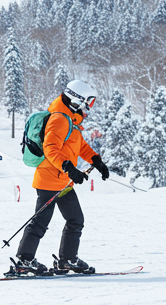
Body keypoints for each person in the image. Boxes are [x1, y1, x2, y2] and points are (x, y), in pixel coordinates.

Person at [9, 80, 109, 276]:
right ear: (77, 98)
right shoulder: (59, 119)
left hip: (62, 181)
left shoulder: (71, 119)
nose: (90, 105)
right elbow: (50, 148)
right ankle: (24, 261)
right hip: (49, 179)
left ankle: (67, 260)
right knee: (40, 222)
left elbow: (79, 146)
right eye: (89, 101)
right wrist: (69, 168)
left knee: (75, 219)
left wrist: (96, 161)